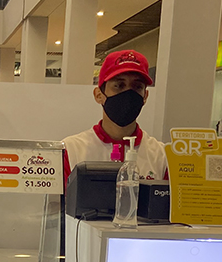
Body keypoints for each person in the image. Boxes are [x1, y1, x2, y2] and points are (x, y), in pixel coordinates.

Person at [62, 49, 168, 184]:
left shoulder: (162, 157)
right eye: (119, 85)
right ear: (98, 95)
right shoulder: (71, 151)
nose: (128, 94)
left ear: (145, 96)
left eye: (137, 86)